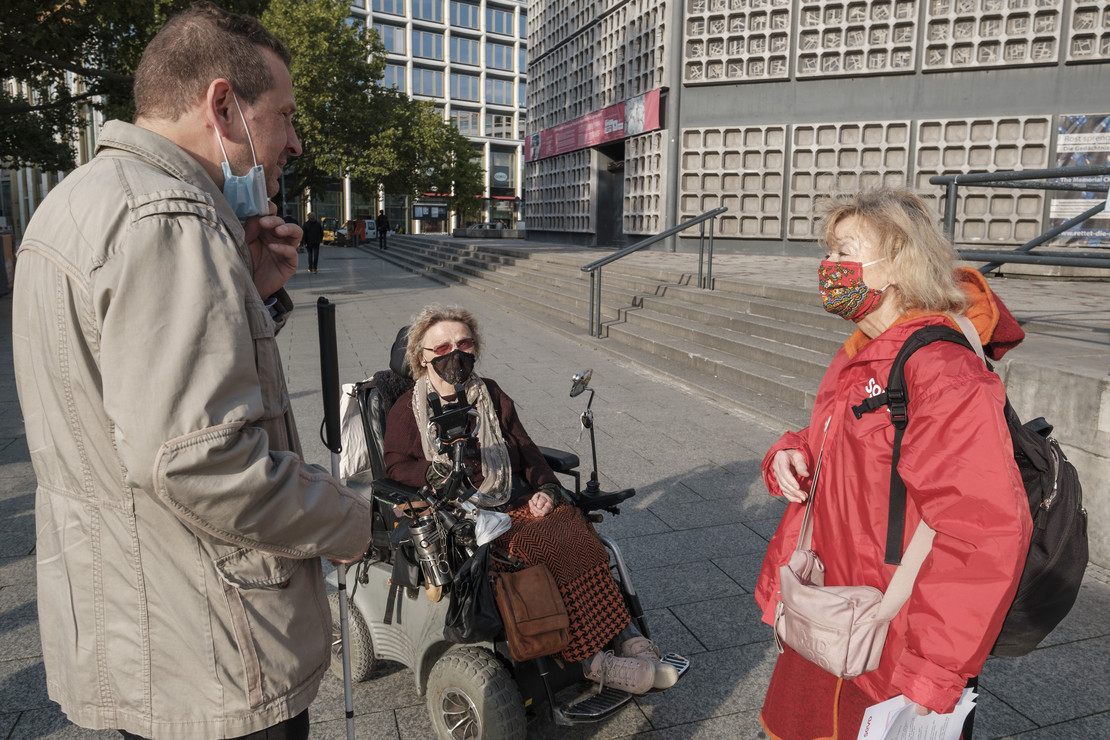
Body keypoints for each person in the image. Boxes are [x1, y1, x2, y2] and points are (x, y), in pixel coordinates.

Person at [11, 3, 372, 738]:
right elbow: (198, 459)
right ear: (223, 105)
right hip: (214, 644)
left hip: (142, 618)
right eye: (283, 115)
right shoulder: (168, 217)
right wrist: (350, 519)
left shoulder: (75, 201)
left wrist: (250, 293)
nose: (293, 142)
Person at [754, 188, 1033, 739]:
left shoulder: (941, 369)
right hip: (836, 613)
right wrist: (789, 452)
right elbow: (841, 442)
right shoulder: (864, 350)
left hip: (894, 633)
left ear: (900, 262)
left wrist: (933, 670)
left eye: (845, 251)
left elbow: (982, 528)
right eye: (829, 252)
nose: (829, 267)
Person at [383, 305, 678, 695]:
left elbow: (526, 448)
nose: (456, 353)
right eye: (443, 347)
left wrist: (546, 489)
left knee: (576, 528)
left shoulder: (489, 393)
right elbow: (395, 465)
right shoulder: (410, 408)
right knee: (535, 549)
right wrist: (434, 473)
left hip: (514, 496)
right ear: (423, 356)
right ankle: (592, 662)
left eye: (464, 343)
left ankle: (625, 633)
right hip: (462, 512)